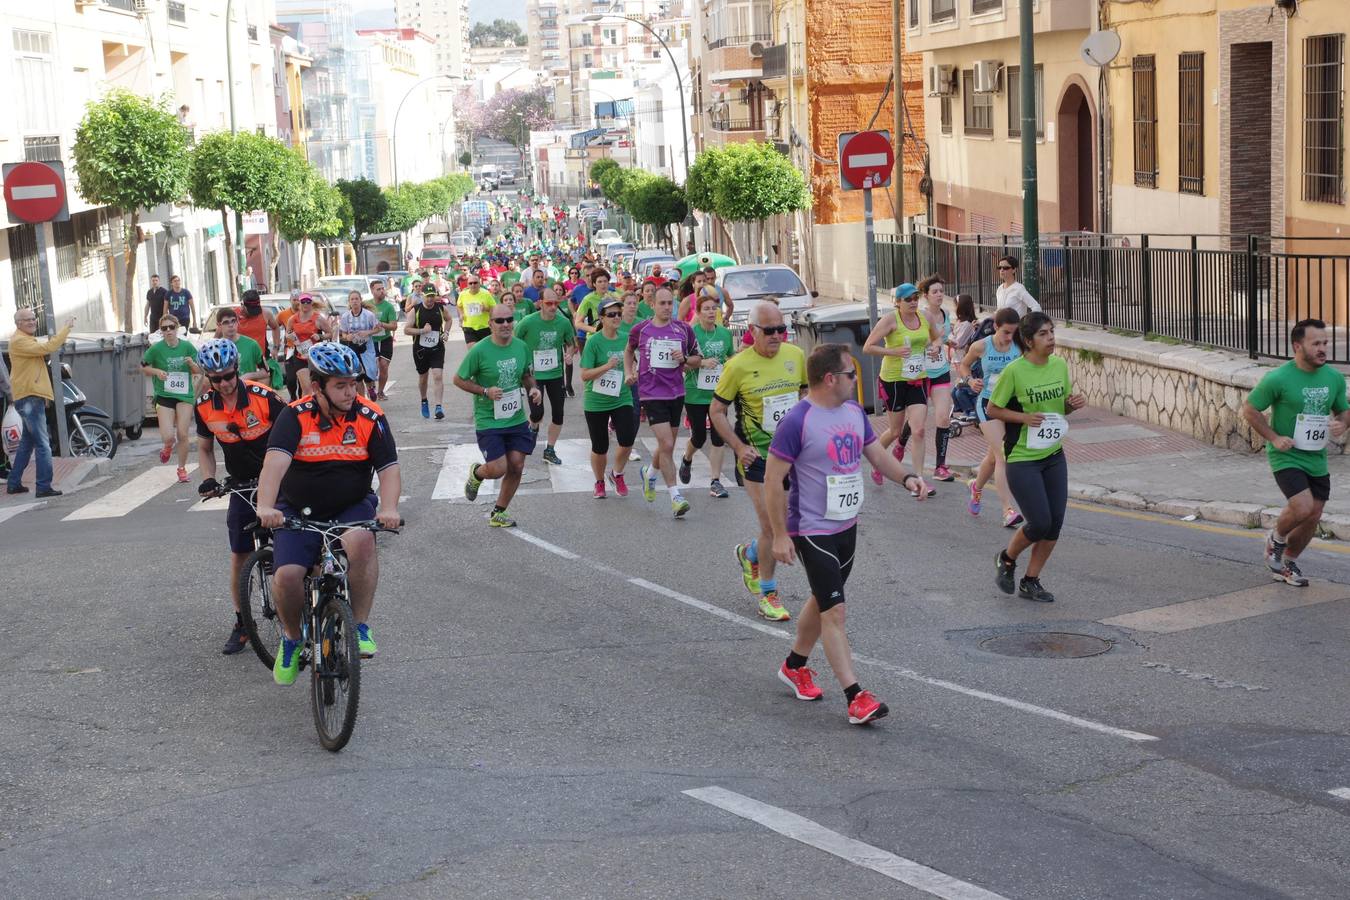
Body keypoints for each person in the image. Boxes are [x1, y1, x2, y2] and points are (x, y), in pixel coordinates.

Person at [767, 344, 923, 725]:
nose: (858, 379)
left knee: (824, 599)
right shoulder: (797, 421)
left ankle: (794, 665)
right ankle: (856, 696)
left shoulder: (854, 412)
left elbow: (876, 455)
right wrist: (779, 535)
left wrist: (907, 477)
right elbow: (773, 481)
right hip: (812, 527)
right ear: (830, 378)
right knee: (835, 610)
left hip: (846, 524)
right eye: (851, 374)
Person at [255, 342, 402, 684]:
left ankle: (360, 626)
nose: (350, 391)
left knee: (363, 543)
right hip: (298, 511)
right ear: (318, 386)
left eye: (352, 383)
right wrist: (265, 506)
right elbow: (274, 467)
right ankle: (291, 640)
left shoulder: (371, 417)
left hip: (351, 506)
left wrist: (390, 508)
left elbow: (389, 470)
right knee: (288, 576)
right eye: (340, 385)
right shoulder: (294, 416)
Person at [711, 302, 808, 621]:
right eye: (770, 331)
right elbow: (716, 411)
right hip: (757, 458)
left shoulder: (795, 356)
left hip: (792, 456)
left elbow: (806, 396)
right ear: (752, 331)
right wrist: (738, 447)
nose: (778, 336)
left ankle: (749, 553)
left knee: (790, 526)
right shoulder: (737, 366)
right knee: (772, 526)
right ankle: (768, 593)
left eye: (782, 329)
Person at [193, 339, 287, 655]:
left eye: (228, 376)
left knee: (296, 542)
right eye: (215, 378)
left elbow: (295, 433)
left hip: (279, 479)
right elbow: (205, 448)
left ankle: (309, 606)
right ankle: (242, 622)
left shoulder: (264, 397)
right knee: (239, 556)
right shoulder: (204, 405)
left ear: (237, 370)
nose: (223, 383)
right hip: (242, 485)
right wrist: (207, 478)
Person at [1243, 318, 1350, 587]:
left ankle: (1286, 562)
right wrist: (1274, 438)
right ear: (1297, 346)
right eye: (1316, 343)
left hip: (1316, 456)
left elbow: (1344, 410)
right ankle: (1277, 539)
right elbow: (1250, 409)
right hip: (1286, 455)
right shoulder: (1279, 378)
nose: (1323, 348)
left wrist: (1343, 423)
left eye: (1325, 342)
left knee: (1313, 514)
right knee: (1301, 506)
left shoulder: (1333, 377)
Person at [988, 312, 1086, 603]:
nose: (1051, 338)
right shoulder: (1015, 372)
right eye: (1043, 334)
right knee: (1039, 522)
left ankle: (1031, 581)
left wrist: (1071, 405)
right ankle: (1006, 559)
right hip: (1022, 459)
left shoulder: (1058, 365)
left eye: (1052, 332)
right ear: (1028, 341)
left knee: (1054, 524)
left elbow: (1060, 409)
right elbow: (993, 409)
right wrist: (1023, 417)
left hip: (1054, 454)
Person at [454, 304, 543, 528]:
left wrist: (533, 388)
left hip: (515, 417)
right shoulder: (479, 351)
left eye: (509, 320)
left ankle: (499, 512)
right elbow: (459, 379)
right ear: (490, 324)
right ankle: (477, 474)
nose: (505, 324)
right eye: (500, 321)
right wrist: (485, 391)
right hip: (489, 419)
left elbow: (526, 374)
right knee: (497, 468)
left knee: (517, 465)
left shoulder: (521, 347)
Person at [626, 286, 701, 517]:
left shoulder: (683, 329)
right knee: (667, 444)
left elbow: (697, 359)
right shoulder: (642, 329)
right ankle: (675, 495)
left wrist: (685, 359)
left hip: (676, 393)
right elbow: (629, 350)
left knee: (666, 444)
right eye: (662, 303)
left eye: (670, 303)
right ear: (652, 304)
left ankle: (649, 475)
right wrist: (629, 372)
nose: (667, 307)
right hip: (651, 392)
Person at [863, 283, 939, 496]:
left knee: (919, 430)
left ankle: (919, 480)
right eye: (908, 299)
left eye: (916, 297)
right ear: (897, 302)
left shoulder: (924, 317)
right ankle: (877, 462)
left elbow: (936, 337)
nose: (913, 302)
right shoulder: (890, 320)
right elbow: (868, 347)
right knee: (895, 431)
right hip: (894, 380)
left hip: (918, 378)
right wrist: (894, 351)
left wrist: (934, 348)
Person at [957, 307, 1024, 527]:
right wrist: (970, 381)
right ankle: (1008, 510)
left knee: (994, 457)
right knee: (1003, 455)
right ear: (995, 327)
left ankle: (976, 486)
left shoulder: (1019, 345)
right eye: (1006, 332)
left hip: (1012, 405)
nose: (1009, 337)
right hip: (987, 404)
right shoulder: (981, 346)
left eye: (1013, 332)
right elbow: (964, 366)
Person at [4, 309, 74, 497]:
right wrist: (65, 329)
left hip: (31, 396)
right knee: (43, 444)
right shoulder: (20, 341)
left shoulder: (25, 339)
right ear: (18, 323)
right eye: (27, 320)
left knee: (27, 444)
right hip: (29, 398)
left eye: (33, 318)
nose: (32, 322)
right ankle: (43, 487)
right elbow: (48, 348)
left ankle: (14, 483)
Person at [678, 291, 734, 499]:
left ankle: (715, 481)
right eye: (706, 309)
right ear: (698, 313)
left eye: (714, 308)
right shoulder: (690, 333)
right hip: (695, 393)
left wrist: (730, 364)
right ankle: (687, 458)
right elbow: (681, 363)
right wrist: (702, 362)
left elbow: (731, 356)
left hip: (719, 394)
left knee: (719, 437)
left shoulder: (725, 334)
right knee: (699, 436)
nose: (711, 312)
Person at [580, 297, 636, 499]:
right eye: (611, 314)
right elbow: (584, 375)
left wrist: (631, 373)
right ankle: (599, 481)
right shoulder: (594, 342)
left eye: (619, 314)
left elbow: (632, 361)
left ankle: (617, 474)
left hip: (621, 396)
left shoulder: (626, 338)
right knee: (600, 446)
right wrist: (607, 367)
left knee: (627, 439)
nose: (617, 317)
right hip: (596, 400)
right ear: (601, 318)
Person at [517, 287, 576, 465]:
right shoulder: (528, 322)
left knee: (558, 414)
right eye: (549, 303)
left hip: (555, 373)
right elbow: (514, 341)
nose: (553, 306)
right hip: (533, 375)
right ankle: (533, 427)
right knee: (537, 412)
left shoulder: (563, 322)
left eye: (556, 303)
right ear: (540, 303)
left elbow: (570, 343)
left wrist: (569, 353)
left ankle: (549, 450)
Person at [141, 315, 202, 483]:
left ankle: (181, 469)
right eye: (164, 328)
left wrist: (191, 364)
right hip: (164, 395)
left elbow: (199, 371)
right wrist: (157, 372)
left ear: (177, 328)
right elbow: (143, 366)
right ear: (161, 331)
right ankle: (168, 447)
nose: (168, 330)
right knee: (168, 436)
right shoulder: (156, 349)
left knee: (183, 433)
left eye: (171, 327)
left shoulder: (188, 347)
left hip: (184, 396)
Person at [406, 285, 449, 419]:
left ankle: (438, 407)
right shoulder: (416, 310)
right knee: (423, 377)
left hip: (437, 347)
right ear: (422, 295)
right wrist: (421, 331)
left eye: (432, 296)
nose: (430, 299)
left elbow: (449, 319)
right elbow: (406, 330)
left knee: (437, 376)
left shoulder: (440, 308)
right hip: (420, 349)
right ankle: (424, 400)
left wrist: (446, 332)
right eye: (427, 296)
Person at [285, 293, 334, 399]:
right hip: (300, 356)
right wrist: (291, 337)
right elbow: (287, 333)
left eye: (308, 302)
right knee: (306, 388)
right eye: (303, 301)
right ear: (299, 303)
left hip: (316, 357)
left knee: (317, 388)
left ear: (311, 303)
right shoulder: (293, 319)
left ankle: (318, 407)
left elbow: (330, 333)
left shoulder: (318, 319)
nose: (305, 304)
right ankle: (305, 409)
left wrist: (320, 336)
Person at [338, 290, 379, 397]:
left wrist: (367, 332)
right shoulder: (345, 317)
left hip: (367, 346)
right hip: (353, 347)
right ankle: (363, 400)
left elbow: (378, 329)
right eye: (352, 299)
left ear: (360, 300)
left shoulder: (369, 315)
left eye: (357, 299)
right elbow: (343, 334)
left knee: (369, 372)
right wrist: (348, 337)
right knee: (358, 375)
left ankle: (370, 388)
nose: (355, 301)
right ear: (349, 302)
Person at [214, 307, 269, 382]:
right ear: (219, 325)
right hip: (225, 390)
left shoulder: (252, 344)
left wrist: (248, 376)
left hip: (247, 390)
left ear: (237, 322)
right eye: (226, 322)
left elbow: (266, 372)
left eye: (233, 321)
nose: (231, 325)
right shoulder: (215, 348)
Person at [371, 279, 400, 401]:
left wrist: (381, 324)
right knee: (372, 367)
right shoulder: (367, 305)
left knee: (383, 365)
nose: (382, 291)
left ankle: (381, 391)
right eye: (378, 289)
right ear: (372, 291)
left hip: (385, 339)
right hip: (371, 340)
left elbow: (394, 326)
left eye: (383, 289)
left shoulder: (388, 307)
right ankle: (371, 389)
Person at [236, 290, 280, 359]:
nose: (254, 313)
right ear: (242, 305)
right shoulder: (233, 316)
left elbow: (276, 328)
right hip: (240, 361)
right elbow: (218, 337)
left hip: (260, 359)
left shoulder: (265, 313)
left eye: (256, 309)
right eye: (251, 310)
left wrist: (276, 347)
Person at [457, 274, 494, 346]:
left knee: (485, 351)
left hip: (484, 327)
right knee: (472, 351)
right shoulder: (463, 294)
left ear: (479, 283)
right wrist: (461, 314)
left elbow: (494, 309)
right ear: (468, 285)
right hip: (469, 327)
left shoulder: (486, 293)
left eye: (475, 283)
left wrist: (486, 309)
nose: (473, 285)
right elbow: (459, 305)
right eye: (470, 283)